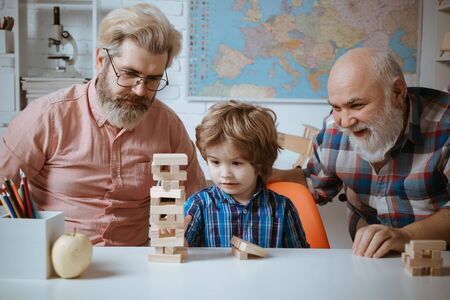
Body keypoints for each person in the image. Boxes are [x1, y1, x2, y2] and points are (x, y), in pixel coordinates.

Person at [0, 3, 205, 246]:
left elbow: (198, 202)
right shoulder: (47, 117)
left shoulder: (168, 126)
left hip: (137, 266)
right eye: (129, 73)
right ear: (101, 60)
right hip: (57, 263)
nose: (140, 91)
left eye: (153, 80)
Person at [271, 48, 450, 257]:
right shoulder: (333, 129)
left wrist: (404, 237)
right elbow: (315, 182)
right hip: (370, 260)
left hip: (439, 260)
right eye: (336, 108)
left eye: (356, 105)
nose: (345, 122)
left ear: (398, 92)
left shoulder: (445, 124)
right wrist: (273, 175)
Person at [184, 100, 309, 248]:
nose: (225, 174)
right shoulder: (199, 205)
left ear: (261, 163)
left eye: (236, 163)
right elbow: (181, 252)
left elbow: (301, 259)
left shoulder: (282, 208)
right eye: (216, 162)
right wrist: (179, 244)